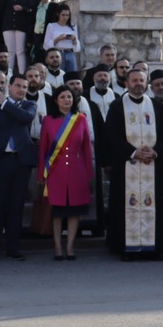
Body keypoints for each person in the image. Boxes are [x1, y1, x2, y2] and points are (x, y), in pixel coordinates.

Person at [99, 67, 163, 259]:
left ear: (146, 83)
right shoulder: (117, 105)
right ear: (126, 83)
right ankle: (127, 248)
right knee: (125, 206)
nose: (138, 84)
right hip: (126, 166)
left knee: (154, 205)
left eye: (141, 81)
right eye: (134, 80)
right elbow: (111, 135)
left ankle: (154, 248)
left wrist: (155, 152)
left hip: (152, 166)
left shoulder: (156, 105)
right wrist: (133, 152)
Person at [0, 74, 41, 261]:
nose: (22, 89)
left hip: (22, 161)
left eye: (25, 86)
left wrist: (5, 103)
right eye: (18, 86)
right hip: (1, 161)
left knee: (17, 205)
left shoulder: (30, 105)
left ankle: (13, 247)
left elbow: (25, 118)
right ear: (10, 86)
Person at [37, 86, 95, 261]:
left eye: (69, 97)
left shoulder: (81, 119)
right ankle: (57, 246)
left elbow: (86, 149)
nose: (66, 100)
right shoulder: (48, 120)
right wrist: (41, 174)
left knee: (74, 211)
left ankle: (70, 246)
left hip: (77, 171)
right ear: (56, 100)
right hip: (55, 171)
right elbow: (43, 149)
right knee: (57, 211)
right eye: (62, 97)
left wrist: (89, 174)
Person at [43, 3, 81, 74]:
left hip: (70, 53)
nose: (65, 17)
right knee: (59, 75)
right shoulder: (52, 26)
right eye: (63, 15)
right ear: (58, 14)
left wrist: (74, 39)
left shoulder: (73, 27)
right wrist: (58, 39)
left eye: (67, 15)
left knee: (72, 75)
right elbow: (46, 45)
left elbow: (77, 47)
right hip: (58, 54)